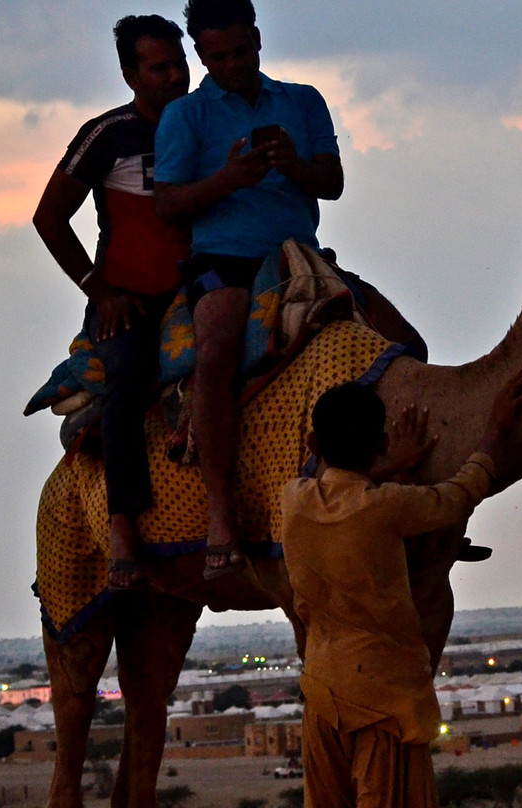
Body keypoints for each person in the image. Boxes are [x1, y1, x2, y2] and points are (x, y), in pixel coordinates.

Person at [281, 368, 522, 808]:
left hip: (322, 697)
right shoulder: (388, 507)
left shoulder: (294, 499)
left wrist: (389, 465)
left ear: (313, 445)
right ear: (382, 443)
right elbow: (460, 494)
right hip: (385, 704)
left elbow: (345, 492)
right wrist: (494, 429)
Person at [154, 0, 344, 580]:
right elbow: (168, 204)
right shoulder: (185, 116)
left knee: (394, 339)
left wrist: (293, 164)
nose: (233, 64)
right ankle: (220, 515)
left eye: (241, 51)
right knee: (215, 351)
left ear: (257, 40)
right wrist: (229, 180)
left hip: (298, 255)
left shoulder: (303, 100)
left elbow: (332, 182)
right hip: (224, 260)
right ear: (202, 55)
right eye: (219, 57)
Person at [32, 15, 191, 591]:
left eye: (180, 63)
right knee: (127, 380)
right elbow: (49, 217)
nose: (175, 76)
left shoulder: (206, 121)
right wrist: (99, 291)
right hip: (130, 299)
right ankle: (123, 524)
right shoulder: (107, 135)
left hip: (202, 282)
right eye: (160, 67)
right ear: (131, 75)